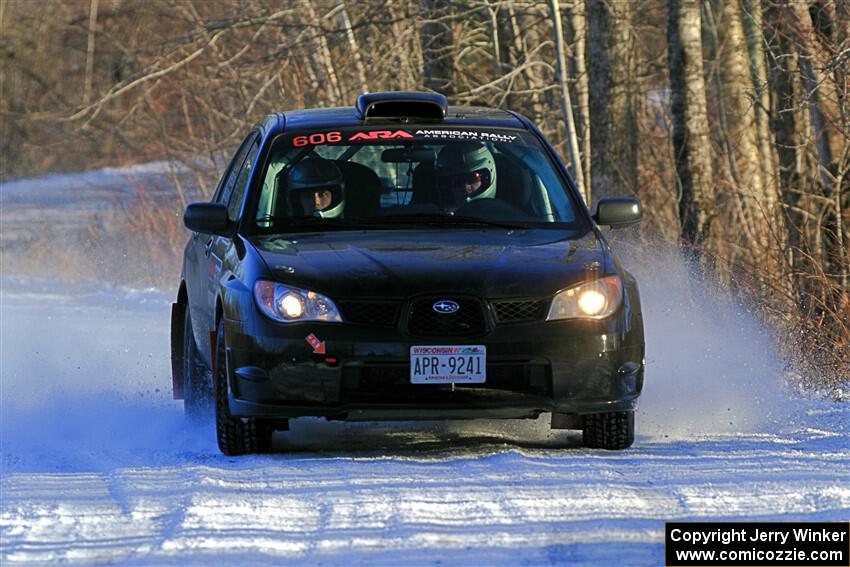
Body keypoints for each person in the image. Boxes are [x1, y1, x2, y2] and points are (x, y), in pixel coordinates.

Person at [434, 141, 497, 209]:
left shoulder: (505, 215)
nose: (465, 187)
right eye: (456, 181)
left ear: (486, 177)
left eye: (472, 179)